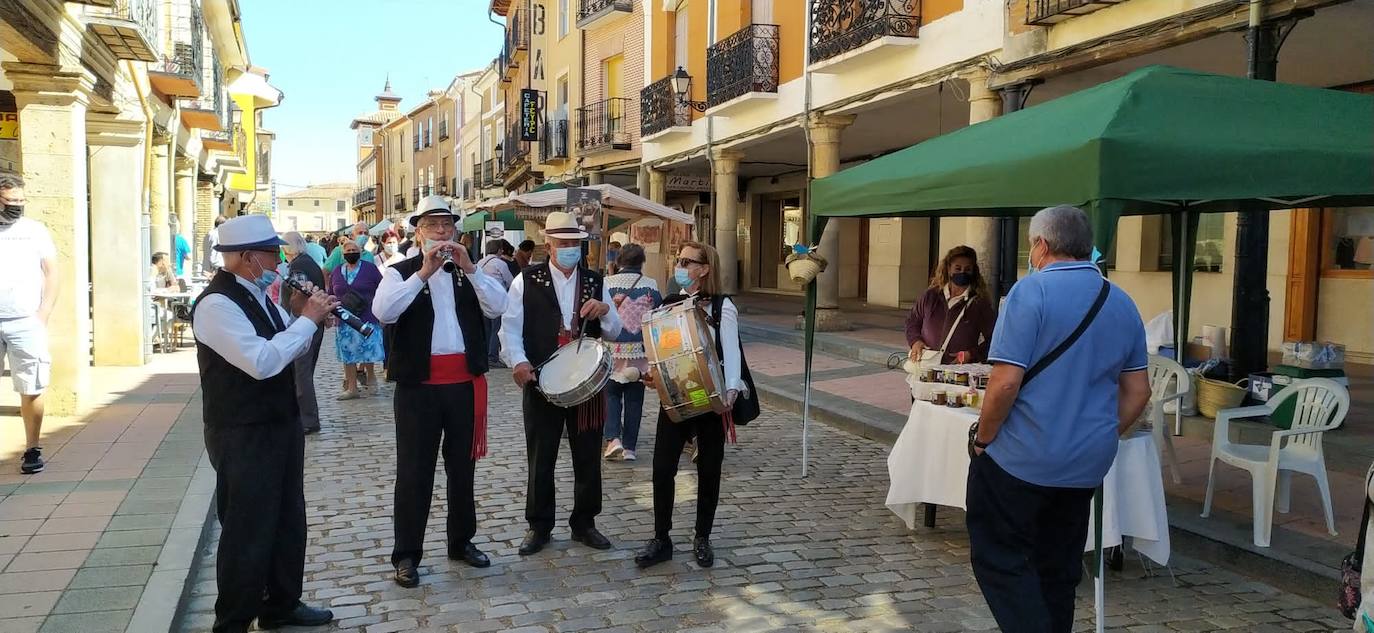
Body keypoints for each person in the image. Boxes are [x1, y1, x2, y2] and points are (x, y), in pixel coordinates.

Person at [966, 205, 1152, 632]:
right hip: (1085, 464)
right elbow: (1138, 391)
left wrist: (984, 439)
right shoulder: (1121, 300)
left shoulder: (1029, 294)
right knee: (1058, 567)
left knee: (1001, 559)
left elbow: (1005, 383)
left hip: (1021, 458)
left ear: (1041, 245)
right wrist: (1103, 434)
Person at [190, 215, 336, 633]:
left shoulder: (258, 292)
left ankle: (281, 604)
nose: (279, 259)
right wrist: (306, 320)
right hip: (242, 431)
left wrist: (302, 316)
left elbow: (284, 345)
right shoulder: (217, 304)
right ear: (247, 257)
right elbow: (261, 361)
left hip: (278, 423)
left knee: (288, 518)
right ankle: (233, 619)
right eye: (272, 252)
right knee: (248, 528)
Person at [371, 196, 508, 588]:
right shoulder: (399, 273)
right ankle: (407, 554)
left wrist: (472, 269)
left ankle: (461, 541)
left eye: (447, 226)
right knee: (415, 473)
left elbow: (497, 307)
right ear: (418, 231)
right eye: (433, 225)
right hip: (419, 390)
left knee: (462, 471)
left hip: (463, 385)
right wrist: (423, 275)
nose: (442, 232)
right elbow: (385, 312)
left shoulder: (470, 272)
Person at [500, 211, 623, 556]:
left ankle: (585, 523)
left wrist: (605, 311)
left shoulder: (596, 281)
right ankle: (539, 525)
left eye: (574, 243)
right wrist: (519, 361)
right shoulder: (526, 279)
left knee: (587, 456)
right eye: (562, 242)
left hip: (586, 381)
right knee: (542, 456)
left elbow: (613, 331)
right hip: (542, 378)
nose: (569, 248)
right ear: (548, 242)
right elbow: (510, 327)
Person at [635, 241, 745, 570]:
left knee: (708, 469)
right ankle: (661, 538)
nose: (679, 266)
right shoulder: (669, 304)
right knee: (661, 468)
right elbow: (661, 352)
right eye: (678, 259)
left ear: (704, 268)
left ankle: (702, 537)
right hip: (676, 397)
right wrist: (653, 375)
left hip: (708, 399)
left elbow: (732, 351)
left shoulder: (722, 306)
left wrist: (730, 392)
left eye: (687, 261)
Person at [0, 173, 58, 474]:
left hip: (25, 320)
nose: (17, 207)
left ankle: (32, 447)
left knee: (32, 385)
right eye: (11, 202)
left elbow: (51, 273)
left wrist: (43, 313)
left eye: (22, 201)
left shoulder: (35, 231)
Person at [602, 244, 661, 462]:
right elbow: (658, 315)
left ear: (619, 261)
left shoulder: (606, 284)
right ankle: (630, 448)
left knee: (611, 394)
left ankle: (612, 439)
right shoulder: (651, 285)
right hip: (641, 352)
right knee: (635, 398)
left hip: (612, 350)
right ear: (641, 262)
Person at [905, 245, 996, 366]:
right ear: (948, 269)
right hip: (927, 367)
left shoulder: (979, 303)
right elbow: (912, 321)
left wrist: (971, 354)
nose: (962, 272)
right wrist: (915, 341)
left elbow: (995, 338)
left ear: (973, 271)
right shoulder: (931, 296)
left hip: (958, 371)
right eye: (958, 268)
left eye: (967, 269)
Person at [281, 232, 326, 434]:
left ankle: (308, 419)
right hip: (313, 322)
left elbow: (297, 296)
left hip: (306, 323)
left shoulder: (298, 267)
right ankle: (307, 416)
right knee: (305, 372)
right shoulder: (309, 262)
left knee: (302, 374)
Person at [330, 239, 385, 400]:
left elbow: (381, 288)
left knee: (368, 349)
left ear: (360, 252)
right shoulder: (337, 271)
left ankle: (371, 377)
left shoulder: (370, 269)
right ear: (342, 254)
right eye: (347, 251)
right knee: (348, 353)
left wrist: (380, 311)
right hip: (345, 319)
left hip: (367, 316)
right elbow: (331, 292)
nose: (351, 253)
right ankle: (352, 387)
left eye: (354, 250)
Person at [477, 240, 515, 368]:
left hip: (482, 300)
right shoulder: (500, 263)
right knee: (496, 329)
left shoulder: (480, 263)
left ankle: (485, 354)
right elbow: (510, 281)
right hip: (497, 301)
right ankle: (493, 357)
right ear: (499, 250)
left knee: (486, 329)